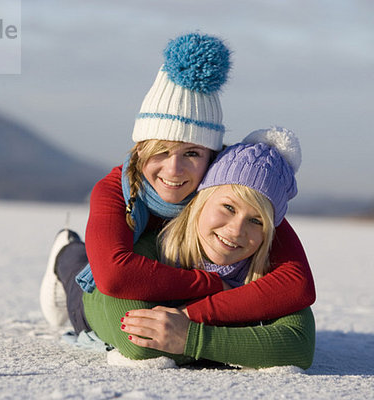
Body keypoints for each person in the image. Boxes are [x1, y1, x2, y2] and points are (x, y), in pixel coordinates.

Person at [39, 32, 315, 364]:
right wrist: (219, 288)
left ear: (212, 157)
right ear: (140, 149)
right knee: (78, 266)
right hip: (109, 274)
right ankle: (65, 252)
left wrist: (191, 324)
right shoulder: (117, 190)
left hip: (167, 283)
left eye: (193, 153)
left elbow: (296, 283)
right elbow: (114, 275)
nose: (174, 169)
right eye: (161, 150)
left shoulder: (234, 190)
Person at [80, 128, 315, 369]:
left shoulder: (266, 272)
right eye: (228, 208)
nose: (236, 230)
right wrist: (245, 342)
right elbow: (141, 344)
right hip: (82, 301)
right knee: (73, 262)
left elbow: (298, 348)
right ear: (200, 200)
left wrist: (190, 336)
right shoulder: (158, 247)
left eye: (256, 221)